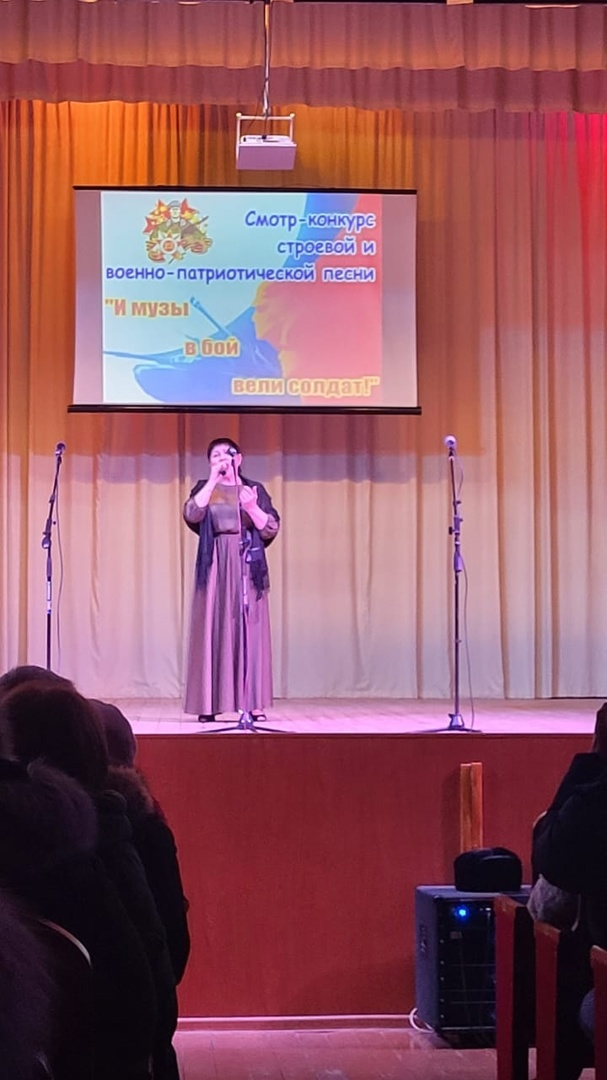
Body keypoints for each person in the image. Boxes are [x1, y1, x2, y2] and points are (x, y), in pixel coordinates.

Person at [183, 436, 280, 722]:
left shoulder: (253, 489)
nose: (222, 459)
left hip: (247, 563)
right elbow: (192, 513)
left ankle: (253, 703)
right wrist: (213, 479)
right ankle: (209, 703)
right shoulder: (204, 488)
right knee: (213, 627)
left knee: (250, 630)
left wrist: (252, 508)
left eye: (227, 454)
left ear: (239, 459)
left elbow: (270, 528)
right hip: (215, 562)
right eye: (215, 456)